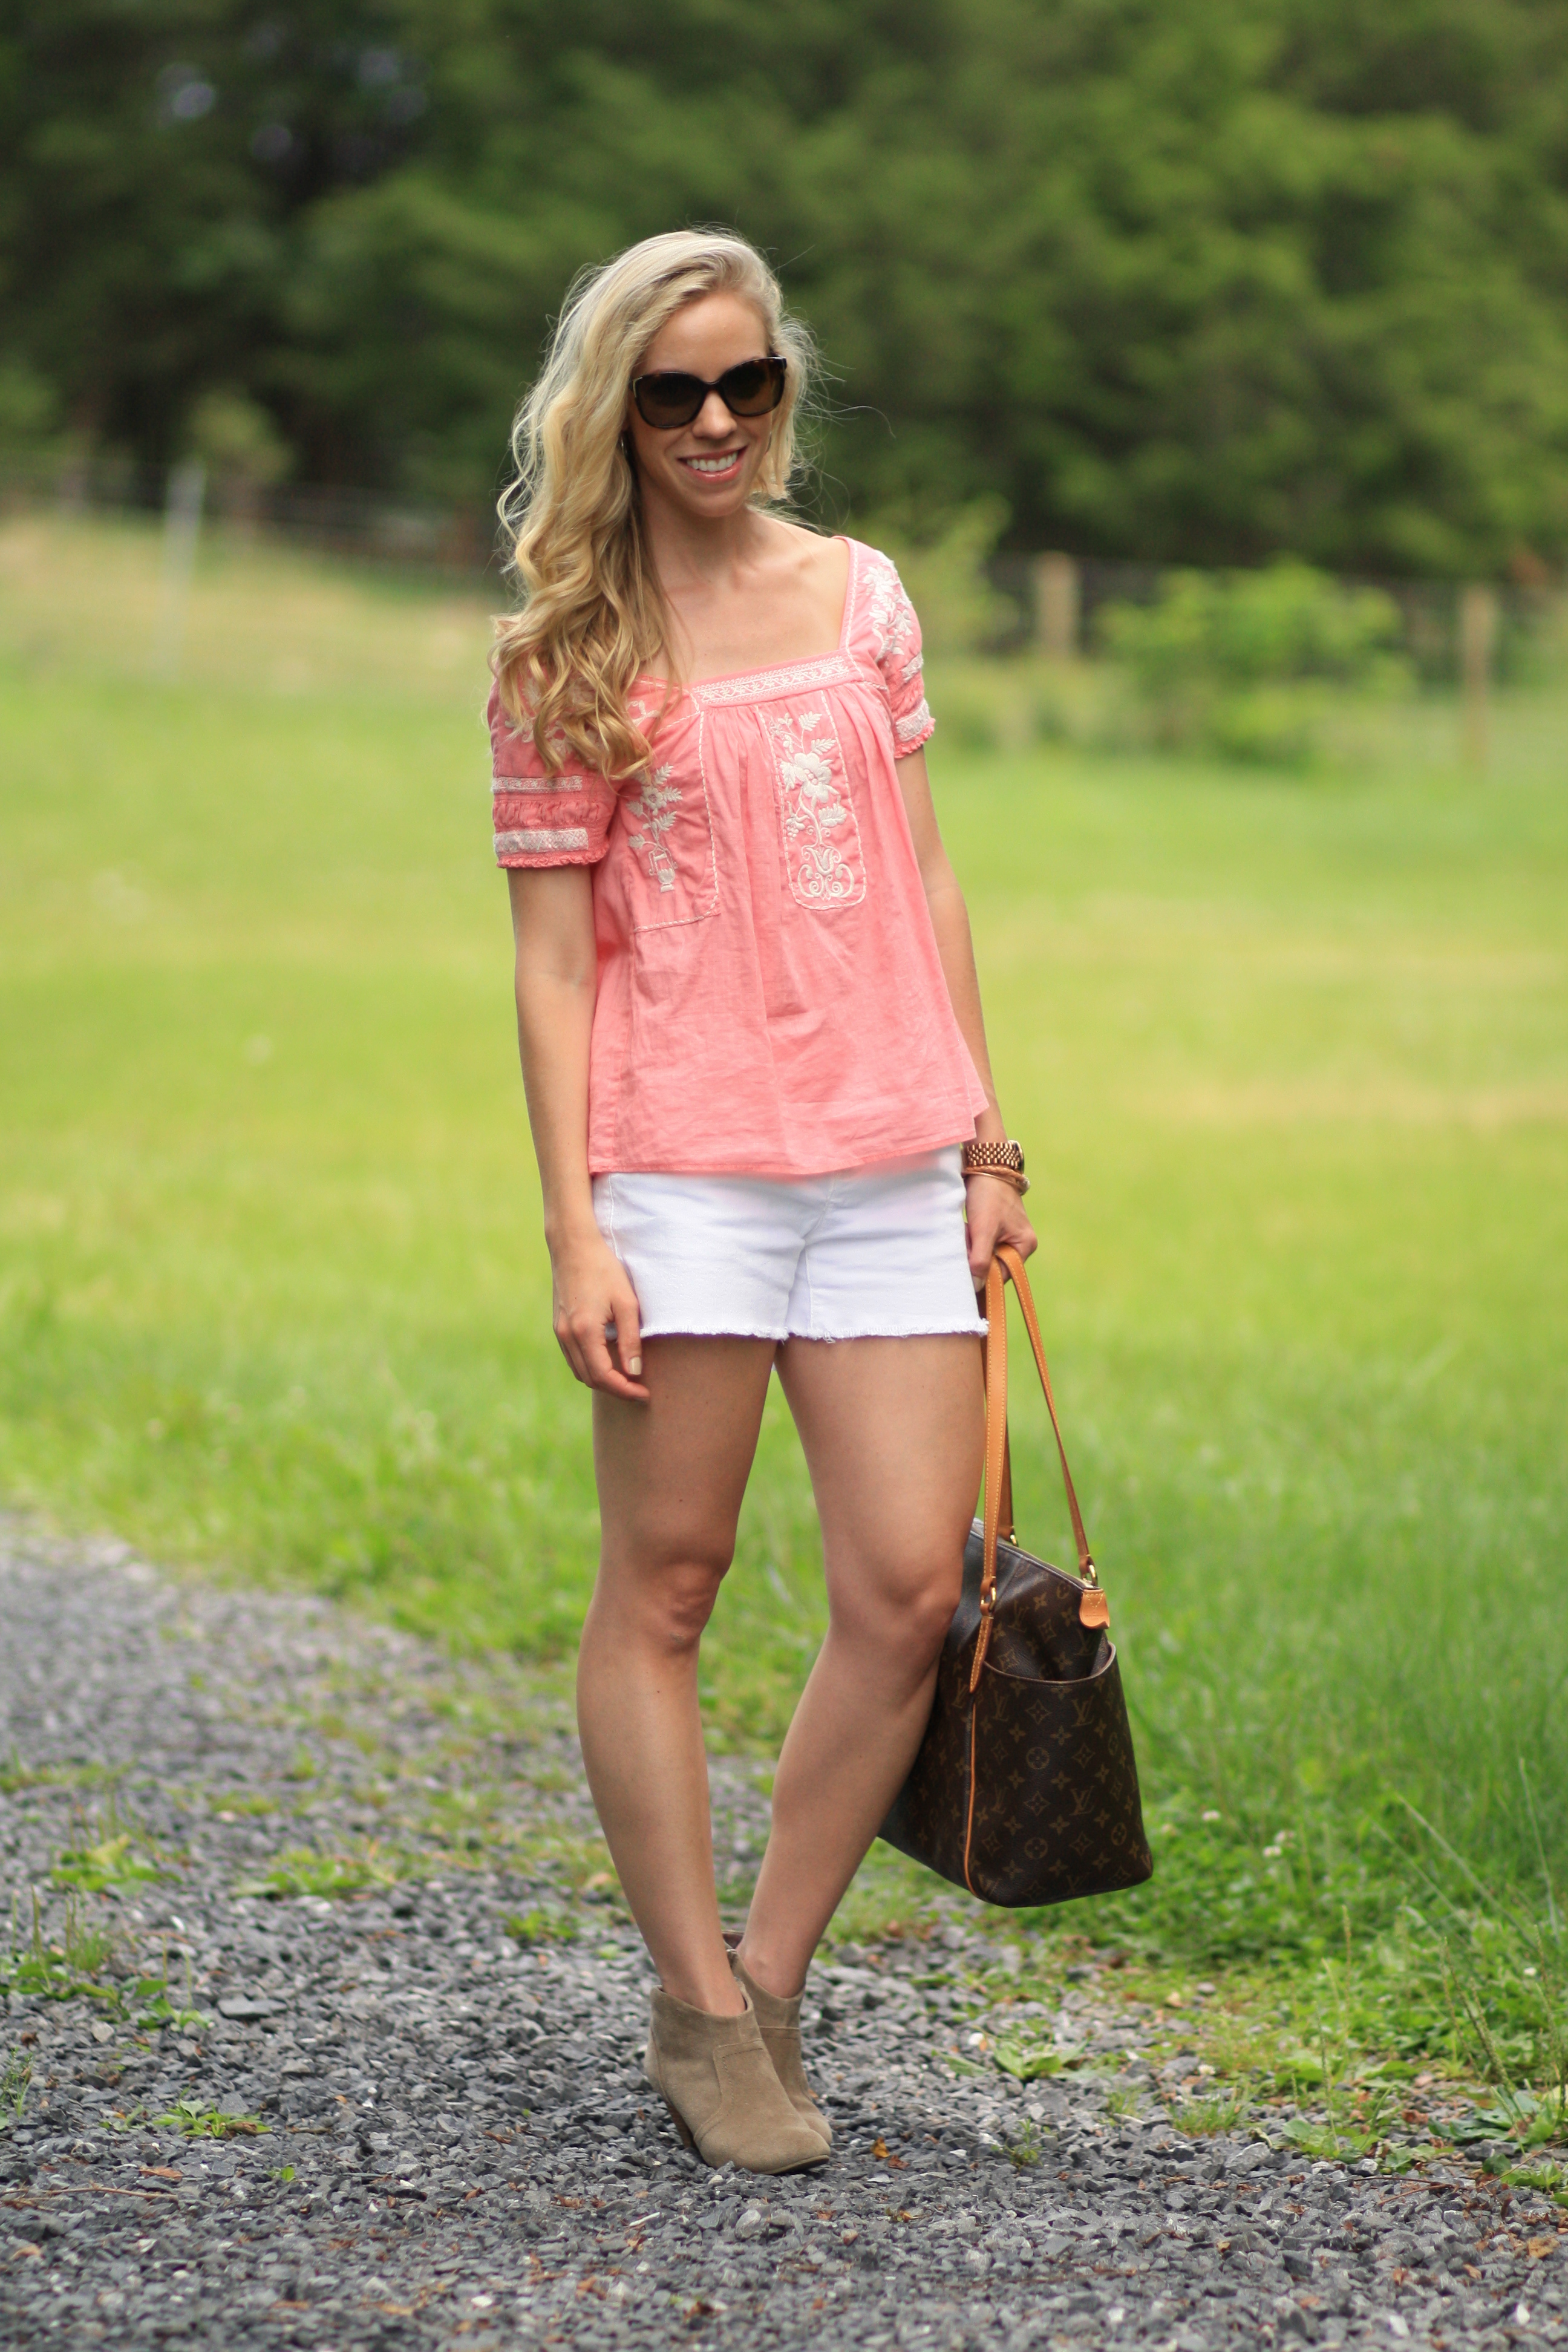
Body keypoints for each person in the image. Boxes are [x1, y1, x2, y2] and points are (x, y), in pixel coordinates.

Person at [490, 229, 1035, 2175]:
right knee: (669, 1586)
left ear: (783, 393)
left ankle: (770, 1983)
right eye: (673, 394)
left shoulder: (863, 599)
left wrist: (985, 1142)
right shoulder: (566, 650)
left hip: (891, 1156)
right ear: (613, 412)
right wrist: (579, 1226)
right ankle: (692, 2008)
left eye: (749, 386)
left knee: (905, 1590)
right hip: (686, 1172)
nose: (716, 423)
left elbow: (931, 875)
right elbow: (555, 972)